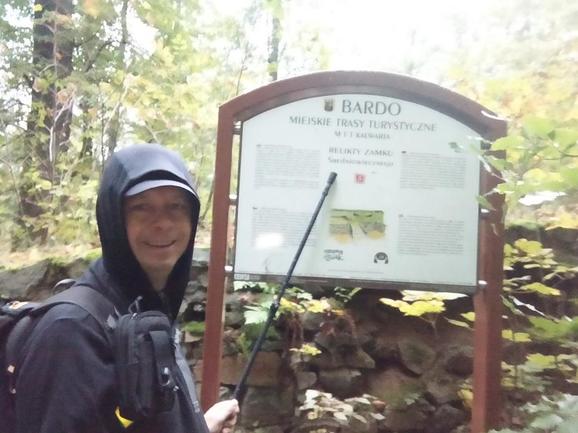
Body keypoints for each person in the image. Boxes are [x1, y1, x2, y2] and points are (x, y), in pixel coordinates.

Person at [12, 143, 239, 433]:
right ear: (114, 219)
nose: (163, 223)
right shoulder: (72, 331)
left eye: (176, 206)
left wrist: (199, 426)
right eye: (141, 207)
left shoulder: (150, 311)